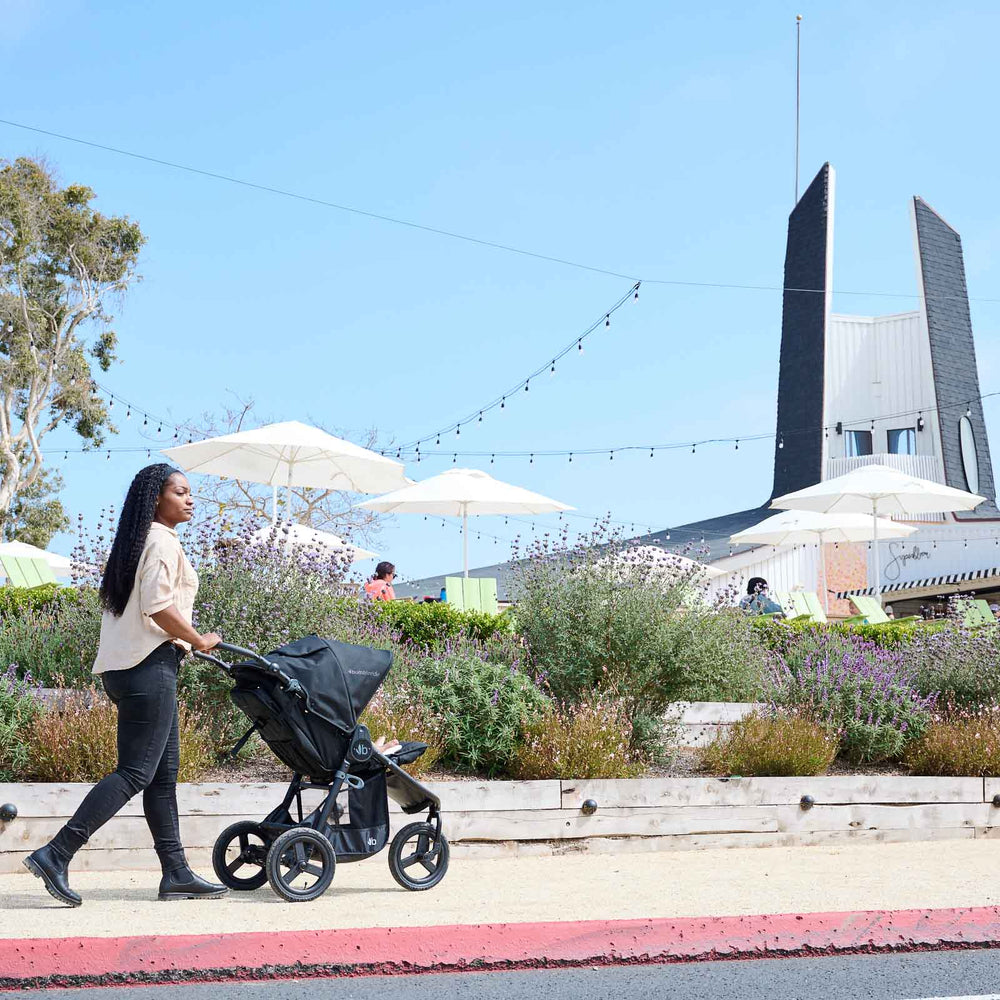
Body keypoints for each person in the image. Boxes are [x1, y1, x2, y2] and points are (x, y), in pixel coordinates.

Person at [23, 464, 227, 907]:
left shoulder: (140, 541)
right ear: (156, 498)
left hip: (130, 667)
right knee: (136, 772)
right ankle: (56, 853)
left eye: (191, 493)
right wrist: (198, 640)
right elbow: (159, 607)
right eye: (181, 492)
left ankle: (175, 873)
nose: (190, 500)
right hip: (148, 666)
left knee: (161, 777)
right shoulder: (160, 541)